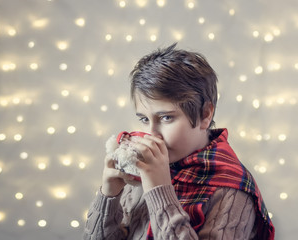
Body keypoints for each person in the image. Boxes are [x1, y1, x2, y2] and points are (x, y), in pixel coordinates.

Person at [83, 43, 275, 240]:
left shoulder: (230, 190)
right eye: (144, 119)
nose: (152, 134)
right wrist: (109, 196)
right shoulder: (140, 170)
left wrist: (159, 190)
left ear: (205, 114)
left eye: (166, 118)